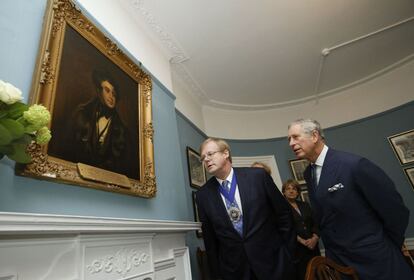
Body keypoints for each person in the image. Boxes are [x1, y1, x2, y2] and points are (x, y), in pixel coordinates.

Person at [287, 118, 414, 280]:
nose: (291, 143)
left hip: (377, 261)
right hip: (341, 263)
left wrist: (382, 244)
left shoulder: (353, 165)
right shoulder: (308, 174)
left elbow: (395, 210)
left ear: (314, 136)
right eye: (289, 139)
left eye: (295, 137)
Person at [195, 137, 296, 280]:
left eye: (210, 154)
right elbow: (210, 240)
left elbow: (284, 214)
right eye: (203, 157)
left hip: (273, 263)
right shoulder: (203, 195)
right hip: (235, 271)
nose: (206, 160)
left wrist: (288, 253)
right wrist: (217, 275)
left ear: (225, 154)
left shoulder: (258, 177)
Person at [66, 69, 133, 177]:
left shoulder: (122, 130)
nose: (111, 97)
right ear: (98, 91)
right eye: (107, 90)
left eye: (114, 93)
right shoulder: (82, 114)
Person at [282, 179, 320, 280]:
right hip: (297, 250)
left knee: (318, 274)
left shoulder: (305, 205)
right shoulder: (282, 208)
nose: (291, 191)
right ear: (284, 192)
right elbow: (286, 229)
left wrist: (315, 238)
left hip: (313, 247)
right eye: (288, 189)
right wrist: (302, 241)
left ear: (298, 192)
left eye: (294, 189)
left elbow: (315, 222)